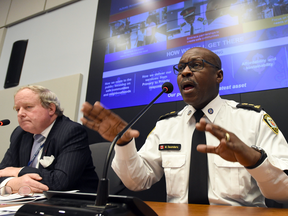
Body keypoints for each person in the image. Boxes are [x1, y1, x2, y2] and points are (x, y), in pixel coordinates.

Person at [81, 47, 288, 206]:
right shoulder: (166, 125)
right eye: (181, 68)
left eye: (196, 65)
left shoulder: (252, 119)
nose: (185, 72)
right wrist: (124, 143)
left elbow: (283, 192)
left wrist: (254, 160)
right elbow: (138, 181)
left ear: (219, 76)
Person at [0, 85, 98, 194]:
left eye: (28, 107)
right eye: (17, 109)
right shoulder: (20, 134)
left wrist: (19, 171)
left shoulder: (71, 132)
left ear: (51, 109)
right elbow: (2, 172)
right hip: (30, 202)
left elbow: (60, 181)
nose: (20, 114)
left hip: (74, 204)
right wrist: (11, 183)